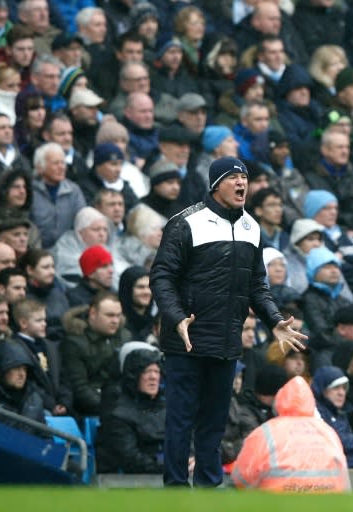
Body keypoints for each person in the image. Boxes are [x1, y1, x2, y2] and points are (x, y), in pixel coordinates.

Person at [150, 156, 306, 487]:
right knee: (180, 421)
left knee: (214, 423)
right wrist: (175, 317)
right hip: (187, 340)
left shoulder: (252, 228)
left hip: (226, 342)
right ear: (215, 183)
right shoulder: (185, 223)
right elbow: (161, 276)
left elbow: (256, 285)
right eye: (233, 177)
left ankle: (209, 490)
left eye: (244, 178)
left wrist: (273, 319)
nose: (241, 183)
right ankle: (175, 492)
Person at [232, 375, 351, 493]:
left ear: (280, 400)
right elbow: (344, 481)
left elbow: (241, 478)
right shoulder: (328, 432)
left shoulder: (265, 432)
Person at [96, 342, 165, 474]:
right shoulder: (118, 414)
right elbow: (131, 459)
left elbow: (188, 437)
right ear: (133, 375)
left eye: (157, 371)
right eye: (146, 371)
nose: (153, 377)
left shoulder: (167, 407)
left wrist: (191, 458)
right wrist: (171, 464)